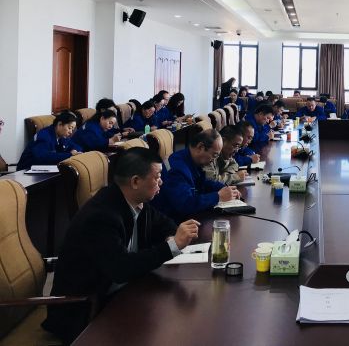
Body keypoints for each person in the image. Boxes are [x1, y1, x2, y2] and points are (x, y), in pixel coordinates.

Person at [42, 147, 201, 343]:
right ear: (135, 181)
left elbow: (165, 224)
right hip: (85, 309)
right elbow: (121, 269)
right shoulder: (101, 216)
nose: (161, 181)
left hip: (119, 292)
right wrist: (172, 246)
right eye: (157, 176)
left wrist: (172, 235)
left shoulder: (134, 200)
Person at [151, 129, 240, 221]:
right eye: (214, 155)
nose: (213, 160)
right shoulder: (177, 168)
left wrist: (224, 188)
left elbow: (202, 183)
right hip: (172, 221)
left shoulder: (190, 159)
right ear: (200, 147)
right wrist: (218, 196)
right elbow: (185, 204)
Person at [16, 111, 82, 170]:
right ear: (60, 124)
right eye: (69, 128)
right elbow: (43, 157)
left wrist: (75, 151)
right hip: (26, 171)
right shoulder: (44, 136)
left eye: (72, 129)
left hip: (44, 169)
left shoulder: (62, 136)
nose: (71, 132)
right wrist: (69, 155)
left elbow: (76, 146)